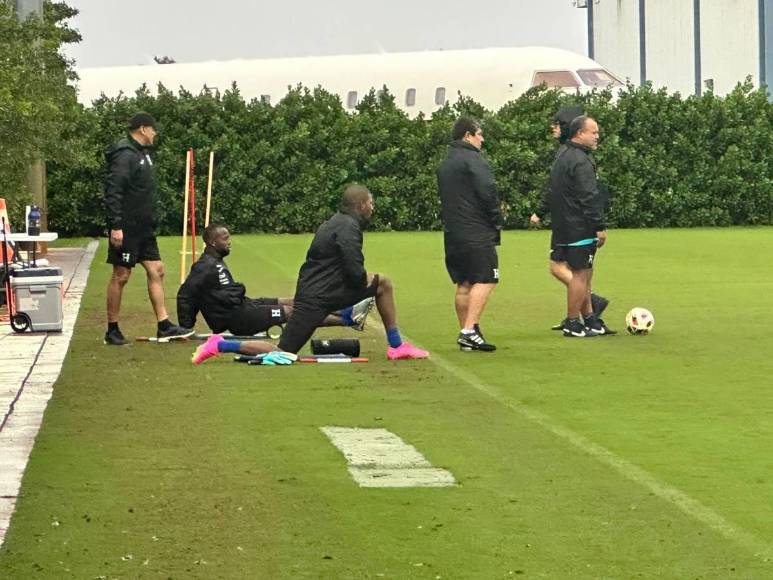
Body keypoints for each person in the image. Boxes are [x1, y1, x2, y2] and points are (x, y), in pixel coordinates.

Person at [191, 184, 429, 364]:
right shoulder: (348, 227)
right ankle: (220, 344)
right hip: (321, 296)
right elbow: (352, 265)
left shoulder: (333, 222)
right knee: (284, 353)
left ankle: (354, 318)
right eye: (371, 203)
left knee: (286, 351)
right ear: (360, 205)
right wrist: (359, 289)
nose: (373, 207)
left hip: (315, 293)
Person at [177, 224, 375, 335]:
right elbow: (186, 294)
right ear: (212, 242)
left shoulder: (215, 260)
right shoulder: (205, 266)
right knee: (290, 312)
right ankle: (349, 320)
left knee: (293, 301)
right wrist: (186, 327)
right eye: (225, 238)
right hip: (238, 319)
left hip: (243, 307)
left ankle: (347, 310)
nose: (230, 242)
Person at [103, 112, 192, 345]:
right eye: (153, 129)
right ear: (143, 129)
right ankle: (112, 329)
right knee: (121, 275)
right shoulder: (125, 155)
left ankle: (164, 325)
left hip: (144, 228)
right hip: (127, 228)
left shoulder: (144, 154)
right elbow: (114, 191)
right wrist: (116, 226)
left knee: (157, 270)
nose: (155, 134)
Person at [530, 106, 611, 331]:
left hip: (563, 225)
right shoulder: (580, 160)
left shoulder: (563, 155)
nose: (597, 136)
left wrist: (541, 211)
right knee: (581, 275)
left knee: (578, 273)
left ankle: (591, 320)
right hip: (579, 226)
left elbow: (553, 189)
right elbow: (588, 195)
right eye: (593, 132)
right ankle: (573, 322)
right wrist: (599, 226)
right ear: (579, 133)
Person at [437, 116, 502, 352]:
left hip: (453, 232)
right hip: (476, 231)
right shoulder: (474, 160)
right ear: (468, 135)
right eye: (480, 134)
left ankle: (467, 333)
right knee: (487, 278)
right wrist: (497, 218)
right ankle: (469, 329)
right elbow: (487, 191)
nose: (482, 139)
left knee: (464, 283)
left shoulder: (446, 163)